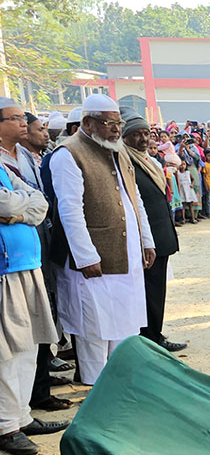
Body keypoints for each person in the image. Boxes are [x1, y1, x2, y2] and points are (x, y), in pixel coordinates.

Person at [48, 93, 156, 385]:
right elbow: (70, 210)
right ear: (88, 122)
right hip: (94, 258)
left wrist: (147, 240)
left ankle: (121, 383)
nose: (116, 130)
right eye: (109, 124)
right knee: (94, 328)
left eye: (118, 123)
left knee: (125, 322)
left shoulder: (117, 149)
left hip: (127, 253)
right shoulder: (68, 154)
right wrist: (86, 256)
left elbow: (136, 200)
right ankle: (95, 387)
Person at [0, 161, 67, 455]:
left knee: (28, 348)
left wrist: (17, 211)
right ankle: (6, 427)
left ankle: (22, 417)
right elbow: (5, 201)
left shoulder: (4, 168)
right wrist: (20, 206)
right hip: (4, 273)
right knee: (7, 352)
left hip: (26, 266)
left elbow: (40, 201)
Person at [120, 107, 185, 353]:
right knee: (148, 290)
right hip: (146, 238)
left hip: (160, 234)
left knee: (157, 288)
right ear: (125, 136)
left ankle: (155, 333)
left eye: (146, 133)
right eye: (137, 134)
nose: (144, 139)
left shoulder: (149, 161)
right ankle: (150, 338)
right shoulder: (125, 161)